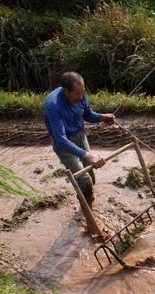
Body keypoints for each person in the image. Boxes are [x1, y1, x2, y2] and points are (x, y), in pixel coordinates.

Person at [44, 71, 115, 208]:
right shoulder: (53, 106)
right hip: (64, 145)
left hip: (80, 136)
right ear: (66, 91)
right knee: (84, 181)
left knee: (90, 173)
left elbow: (88, 114)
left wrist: (102, 117)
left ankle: (90, 204)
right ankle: (89, 219)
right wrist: (87, 155)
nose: (81, 96)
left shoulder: (79, 93)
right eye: (77, 94)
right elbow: (61, 139)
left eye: (83, 92)